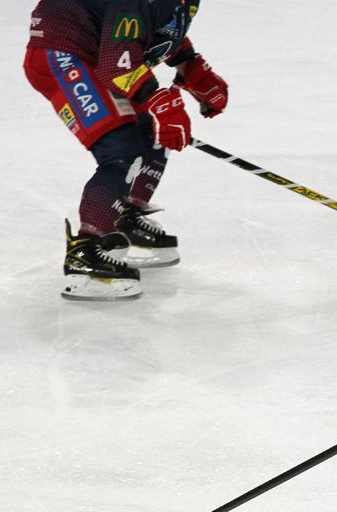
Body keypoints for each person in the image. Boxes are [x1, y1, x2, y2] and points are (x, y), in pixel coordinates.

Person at [23, 0, 229, 300]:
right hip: (64, 53)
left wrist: (190, 65)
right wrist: (159, 102)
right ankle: (85, 255)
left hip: (97, 51)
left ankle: (122, 218)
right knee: (121, 150)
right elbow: (116, 62)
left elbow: (150, 24)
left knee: (152, 130)